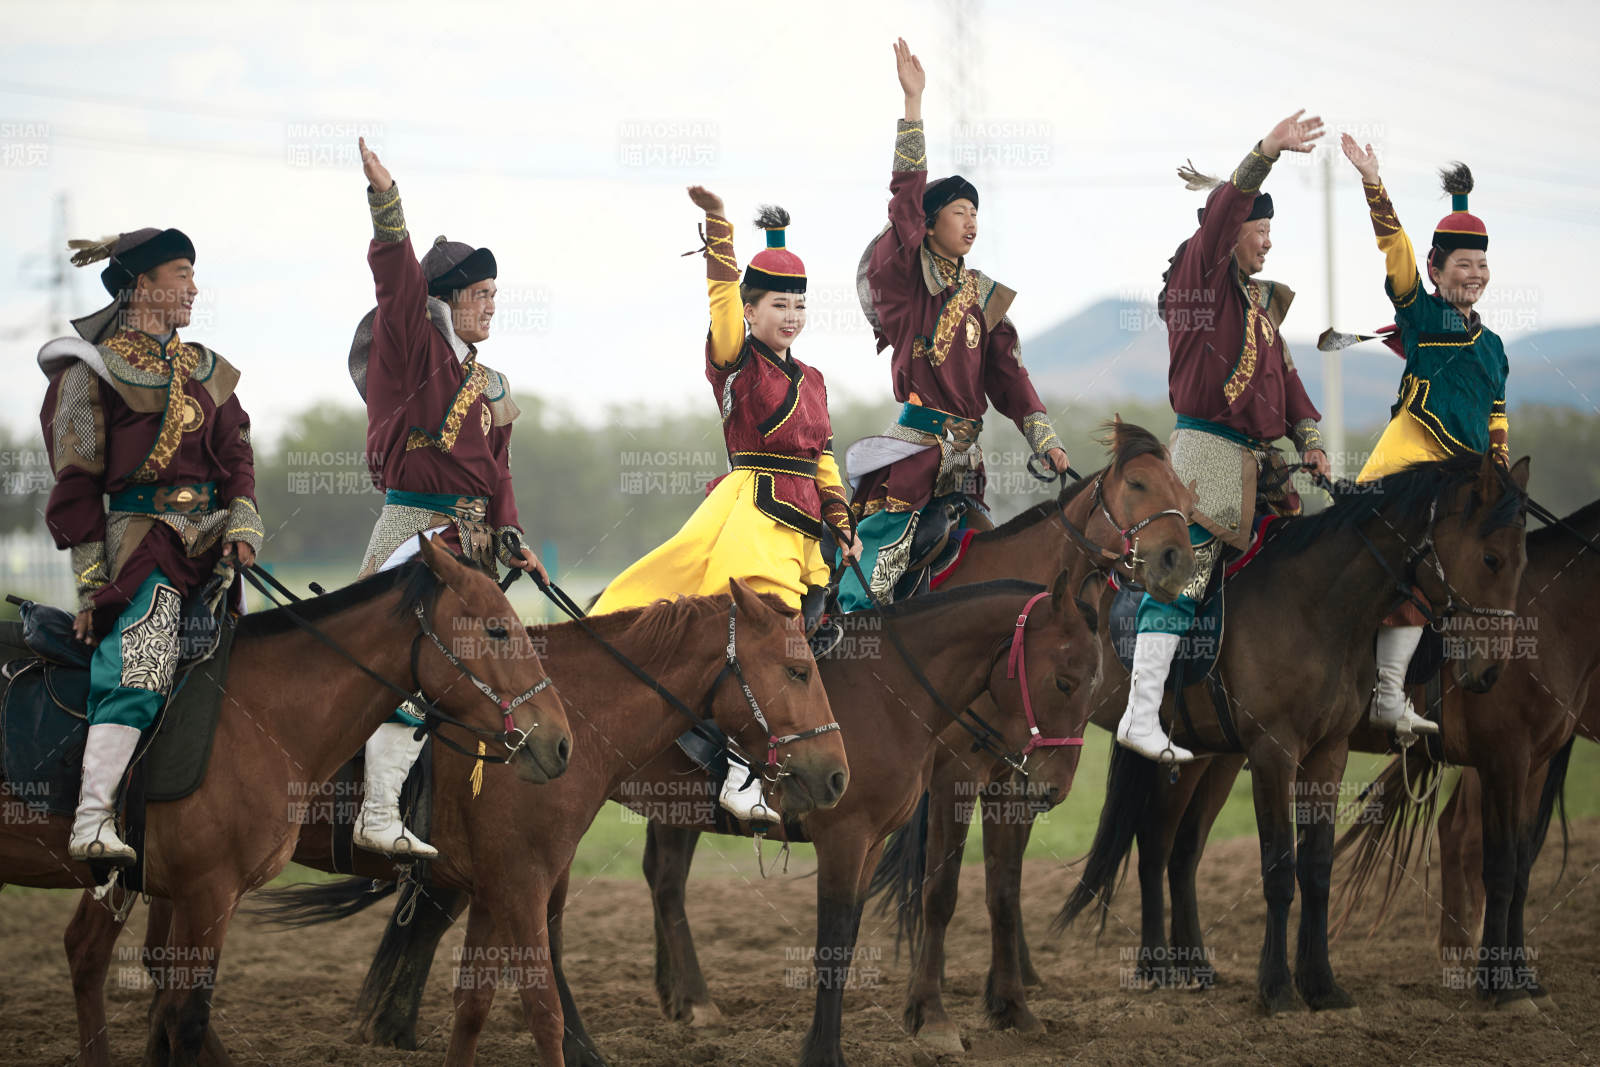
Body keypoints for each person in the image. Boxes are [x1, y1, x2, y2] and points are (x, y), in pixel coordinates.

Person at [592, 186, 859, 822]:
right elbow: (720, 300)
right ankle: (739, 777)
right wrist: (720, 232)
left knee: (810, 639)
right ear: (751, 309)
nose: (790, 316)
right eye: (776, 304)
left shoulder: (814, 379)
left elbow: (822, 456)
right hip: (752, 517)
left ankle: (774, 755)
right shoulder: (735, 360)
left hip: (804, 530)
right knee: (765, 644)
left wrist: (842, 521)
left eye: (799, 305)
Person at [348, 138, 546, 857]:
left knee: (500, 672)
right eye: (479, 295)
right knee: (412, 665)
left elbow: (500, 473)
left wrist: (514, 536)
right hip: (415, 535)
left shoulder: (492, 382)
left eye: (495, 294)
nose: (491, 305)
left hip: (474, 548)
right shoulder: (415, 350)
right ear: (448, 300)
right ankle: (374, 811)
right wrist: (386, 202)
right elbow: (398, 283)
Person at [40, 227, 263, 863]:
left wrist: (243, 522)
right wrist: (91, 586)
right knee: (138, 664)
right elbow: (76, 487)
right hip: (137, 547)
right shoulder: (91, 372)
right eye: (182, 274)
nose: (194, 288)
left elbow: (237, 454)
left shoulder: (209, 372)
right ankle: (91, 820)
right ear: (142, 286)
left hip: (212, 545)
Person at [1116, 112, 1331, 762]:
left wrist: (1311, 438)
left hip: (1266, 473)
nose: (1266, 242)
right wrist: (1266, 150)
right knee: (1184, 574)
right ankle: (1140, 714)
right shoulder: (1200, 281)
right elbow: (1220, 215)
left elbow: (1289, 386)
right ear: (1228, 230)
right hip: (1205, 462)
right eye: (1257, 229)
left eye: (1270, 230)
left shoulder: (1262, 309)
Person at [837, 38, 1068, 612]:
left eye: (976, 215)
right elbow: (903, 201)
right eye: (959, 213)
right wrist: (913, 105)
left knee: (988, 574)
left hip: (967, 464)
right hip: (913, 454)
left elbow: (1010, 379)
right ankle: (836, 639)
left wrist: (1046, 439)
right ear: (930, 223)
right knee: (877, 572)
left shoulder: (984, 295)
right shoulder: (906, 282)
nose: (970, 224)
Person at [1342, 136, 1509, 740]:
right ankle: (1380, 691)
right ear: (1437, 272)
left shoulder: (1493, 348)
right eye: (1463, 264)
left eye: (1482, 265)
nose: (1475, 274)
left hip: (1469, 478)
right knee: (1387, 553)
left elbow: (1497, 416)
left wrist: (1503, 475)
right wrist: (1372, 183)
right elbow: (1396, 246)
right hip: (1412, 455)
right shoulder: (1419, 310)